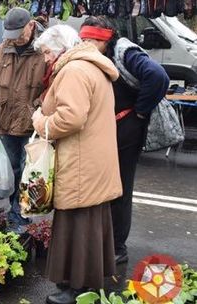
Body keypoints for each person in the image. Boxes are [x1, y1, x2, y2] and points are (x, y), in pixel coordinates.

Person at [31, 25, 122, 304]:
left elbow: (71, 118)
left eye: (47, 52)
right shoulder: (91, 66)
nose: (45, 58)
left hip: (81, 161)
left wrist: (40, 122)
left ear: (60, 49)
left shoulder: (73, 70)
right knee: (92, 222)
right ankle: (86, 283)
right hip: (94, 159)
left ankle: (75, 288)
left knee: (77, 223)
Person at [79, 16, 170, 265]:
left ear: (106, 38)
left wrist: (140, 111)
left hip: (127, 128)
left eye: (91, 39)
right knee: (103, 187)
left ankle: (118, 247)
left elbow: (158, 77)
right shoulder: (99, 54)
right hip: (110, 127)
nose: (85, 43)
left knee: (119, 188)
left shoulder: (125, 51)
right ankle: (104, 240)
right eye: (83, 39)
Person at [0, 7, 47, 233]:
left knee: (27, 172)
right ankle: (17, 211)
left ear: (31, 25)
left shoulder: (43, 50)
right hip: (5, 122)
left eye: (19, 33)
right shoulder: (3, 49)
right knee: (12, 171)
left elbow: (50, 87)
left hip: (32, 125)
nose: (15, 39)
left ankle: (19, 215)